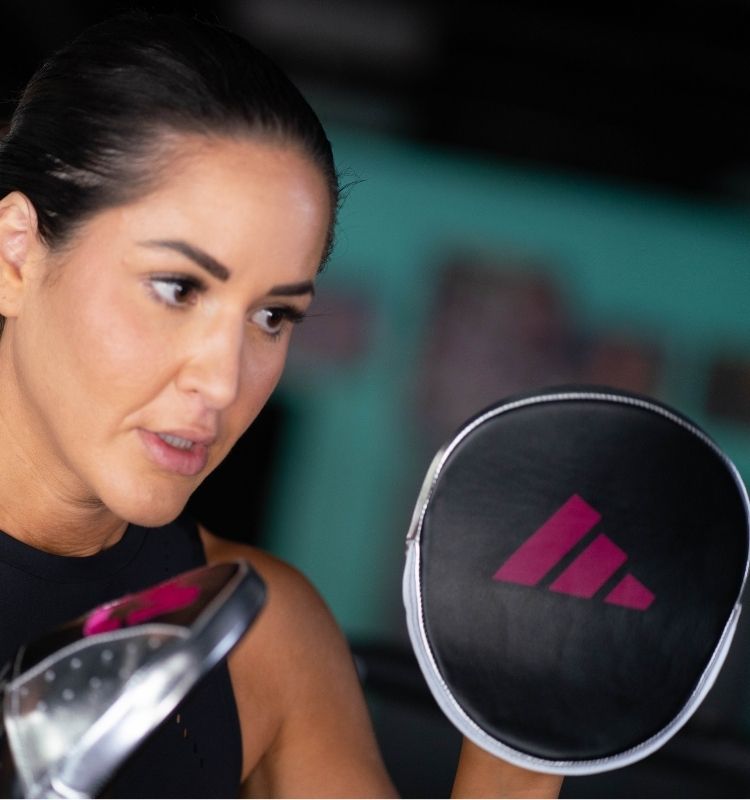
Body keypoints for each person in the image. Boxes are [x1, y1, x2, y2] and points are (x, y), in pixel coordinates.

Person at [0, 12, 563, 798]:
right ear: (17, 254)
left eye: (273, 317)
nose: (225, 382)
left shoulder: (266, 638)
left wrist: (525, 733)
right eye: (177, 287)